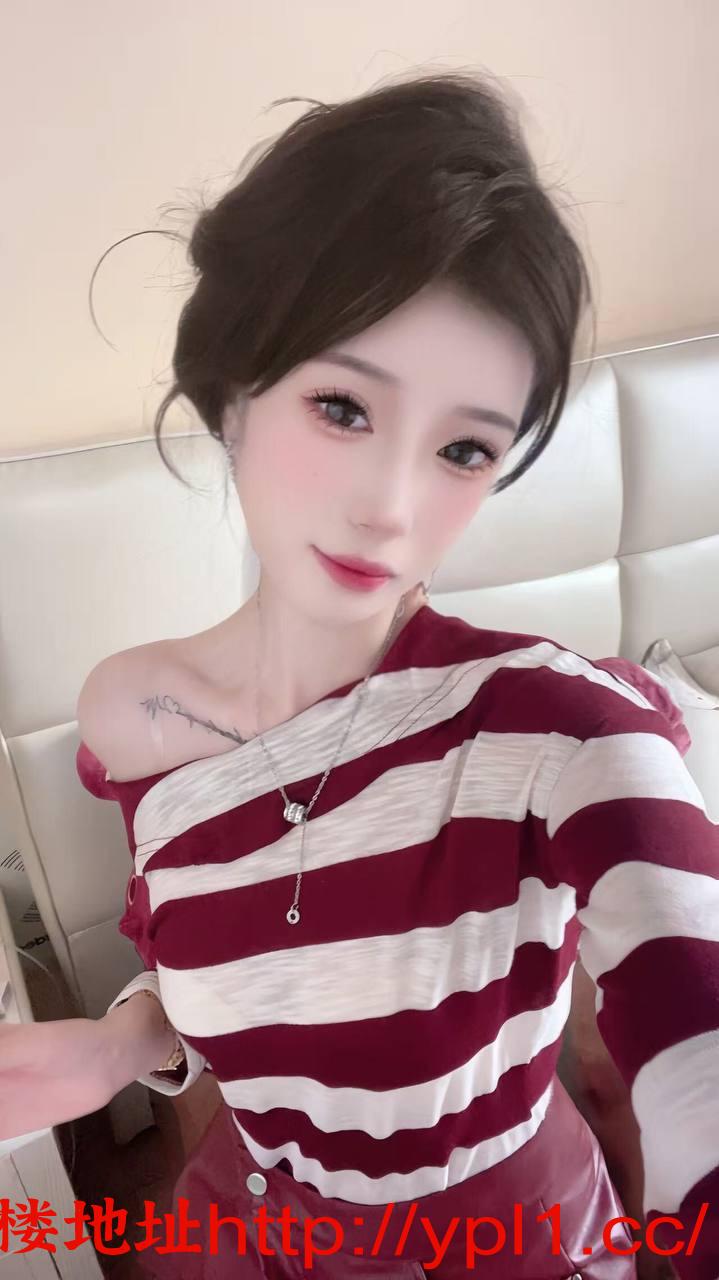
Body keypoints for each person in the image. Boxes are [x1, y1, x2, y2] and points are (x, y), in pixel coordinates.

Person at [2, 70, 717, 1279]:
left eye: (463, 449)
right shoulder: (134, 712)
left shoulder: (553, 727)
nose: (392, 506)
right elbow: (220, 950)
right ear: (231, 391)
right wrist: (125, 1044)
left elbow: (686, 994)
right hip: (253, 1227)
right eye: (342, 406)